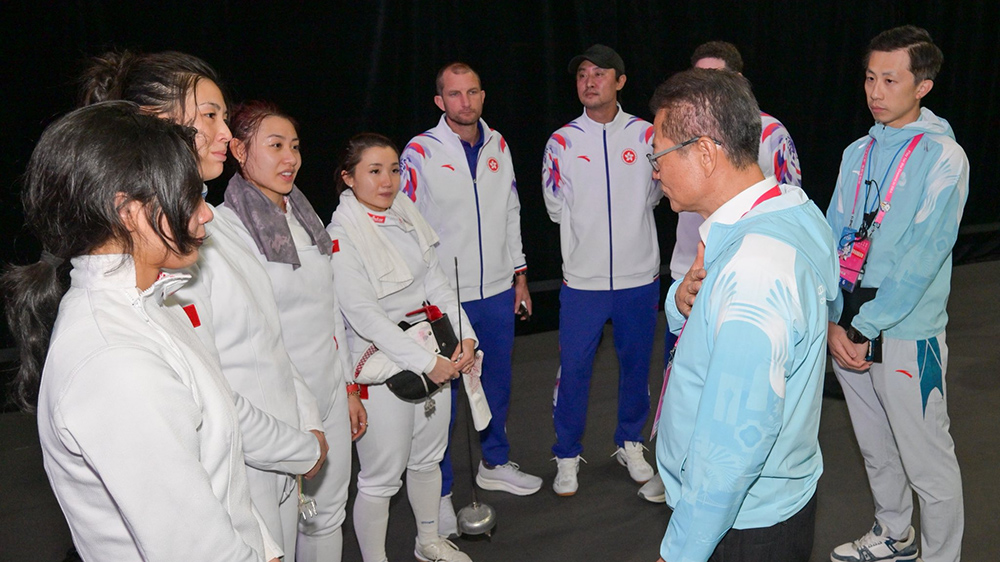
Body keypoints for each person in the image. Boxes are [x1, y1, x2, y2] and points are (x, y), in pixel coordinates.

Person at [1, 101, 281, 561]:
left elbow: (219, 489)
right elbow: (196, 551)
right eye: (189, 196)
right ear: (129, 212)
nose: (206, 214)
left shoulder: (151, 304)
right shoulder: (115, 361)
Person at [80, 50, 328, 561]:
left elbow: (269, 342)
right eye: (210, 116)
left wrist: (306, 421)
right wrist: (299, 448)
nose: (225, 133)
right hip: (244, 475)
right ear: (155, 125)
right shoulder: (166, 250)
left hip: (280, 459)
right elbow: (213, 395)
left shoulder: (219, 222)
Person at [651, 68, 837, 562]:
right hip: (768, 505)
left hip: (738, 524)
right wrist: (681, 303)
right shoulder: (787, 209)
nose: (654, 170)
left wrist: (681, 551)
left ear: (706, 153)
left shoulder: (754, 267)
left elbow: (732, 446)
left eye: (660, 155)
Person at [641, 39, 805, 504]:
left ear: (737, 84)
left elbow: (785, 198)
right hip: (690, 267)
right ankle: (679, 461)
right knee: (684, 373)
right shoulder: (679, 130)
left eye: (716, 78)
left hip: (737, 267)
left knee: (734, 388)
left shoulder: (769, 133)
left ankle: (717, 483)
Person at [826, 26, 967, 562]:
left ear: (923, 85)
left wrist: (867, 323)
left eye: (890, 79)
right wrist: (833, 318)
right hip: (849, 321)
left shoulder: (944, 157)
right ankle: (894, 534)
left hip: (906, 328)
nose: (876, 91)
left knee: (927, 459)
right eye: (869, 78)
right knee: (875, 446)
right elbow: (834, 233)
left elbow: (925, 255)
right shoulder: (856, 152)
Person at [399, 62, 542, 536]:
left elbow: (511, 212)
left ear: (483, 95)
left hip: (497, 289)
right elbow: (406, 225)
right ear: (440, 101)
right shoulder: (420, 151)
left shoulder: (498, 144)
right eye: (455, 94)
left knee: (496, 384)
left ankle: (493, 464)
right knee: (445, 399)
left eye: (473, 92)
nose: (465, 102)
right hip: (445, 299)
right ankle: (439, 493)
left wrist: (520, 274)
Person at [222, 101, 367, 562]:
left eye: (296, 146)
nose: (291, 158)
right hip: (278, 401)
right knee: (275, 534)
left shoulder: (307, 219)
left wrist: (348, 388)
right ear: (239, 151)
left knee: (329, 513)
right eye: (276, 145)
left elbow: (330, 312)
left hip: (327, 386)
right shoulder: (228, 230)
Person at [328, 133, 478, 562]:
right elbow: (362, 315)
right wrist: (427, 362)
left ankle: (427, 541)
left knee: (428, 460)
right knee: (380, 478)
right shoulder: (341, 235)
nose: (388, 181)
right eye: (374, 171)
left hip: (433, 354)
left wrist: (464, 336)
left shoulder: (408, 215)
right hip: (384, 366)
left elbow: (437, 285)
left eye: (394, 169)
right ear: (348, 178)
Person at [542, 44, 660, 496]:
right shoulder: (562, 142)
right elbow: (555, 208)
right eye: (582, 75)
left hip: (638, 278)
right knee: (573, 369)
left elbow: (655, 196)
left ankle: (630, 441)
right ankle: (567, 454)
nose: (589, 82)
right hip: (583, 282)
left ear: (620, 81)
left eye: (599, 74)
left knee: (635, 366)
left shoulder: (649, 136)